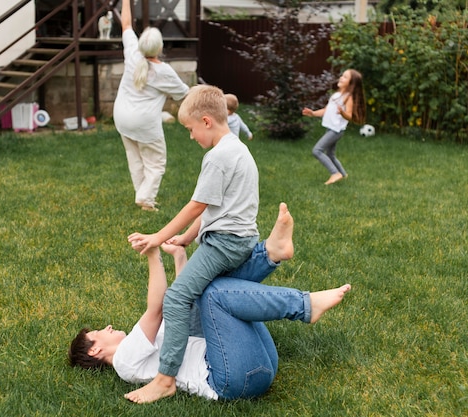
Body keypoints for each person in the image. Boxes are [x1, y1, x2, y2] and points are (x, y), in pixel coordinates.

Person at [68, 203, 352, 401]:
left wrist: (180, 256)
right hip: (231, 378)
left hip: (256, 363)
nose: (106, 327)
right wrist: (153, 255)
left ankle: (271, 253)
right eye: (97, 333)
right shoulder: (123, 361)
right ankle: (301, 305)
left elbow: (185, 302)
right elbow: (156, 308)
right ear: (95, 351)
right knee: (215, 294)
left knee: (204, 290)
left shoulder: (146, 348)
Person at [124, 84, 261, 402]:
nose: (190, 136)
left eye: (190, 129)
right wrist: (186, 238)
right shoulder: (237, 147)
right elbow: (214, 205)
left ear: (206, 121)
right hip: (239, 237)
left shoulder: (218, 157)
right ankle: (270, 254)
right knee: (209, 296)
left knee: (175, 300)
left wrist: (157, 237)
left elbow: (196, 205)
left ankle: (165, 378)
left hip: (224, 244)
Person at [113, 0, 189, 211]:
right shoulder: (165, 71)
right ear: (160, 47)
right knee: (155, 163)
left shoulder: (131, 53)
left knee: (135, 159)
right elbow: (184, 94)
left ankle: (142, 196)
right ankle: (145, 198)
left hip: (121, 117)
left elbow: (126, 24)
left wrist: (126, 1)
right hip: (144, 123)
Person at [302, 69, 366, 185]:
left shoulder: (348, 98)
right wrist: (313, 113)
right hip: (331, 129)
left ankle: (335, 173)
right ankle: (343, 174)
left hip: (336, 130)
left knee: (317, 150)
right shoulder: (336, 95)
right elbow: (326, 110)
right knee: (330, 154)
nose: (341, 77)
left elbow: (349, 116)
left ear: (351, 83)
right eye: (342, 75)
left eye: (345, 77)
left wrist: (342, 112)